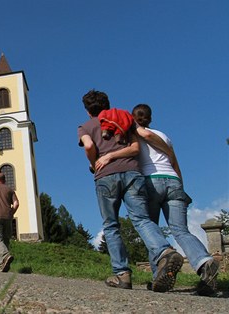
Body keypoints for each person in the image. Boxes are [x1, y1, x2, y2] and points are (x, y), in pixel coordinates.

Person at [77, 89, 183, 292]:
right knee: (142, 219)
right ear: (107, 104)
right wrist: (170, 152)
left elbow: (89, 146)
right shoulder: (124, 116)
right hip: (133, 173)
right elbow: (136, 147)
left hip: (105, 177)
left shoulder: (86, 126)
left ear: (88, 111)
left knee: (111, 225)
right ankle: (164, 251)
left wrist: (96, 163)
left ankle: (122, 275)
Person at [132, 104, 219, 296]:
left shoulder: (136, 132)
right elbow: (175, 164)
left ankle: (159, 275)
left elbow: (145, 136)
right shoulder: (165, 136)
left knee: (151, 229)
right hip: (173, 181)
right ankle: (205, 263)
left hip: (151, 181)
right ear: (150, 118)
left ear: (134, 118)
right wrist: (181, 187)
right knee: (180, 230)